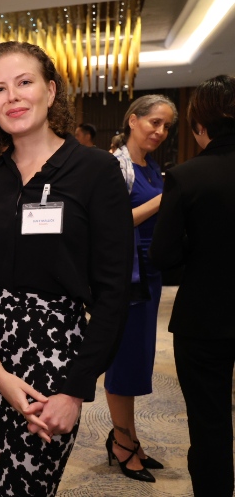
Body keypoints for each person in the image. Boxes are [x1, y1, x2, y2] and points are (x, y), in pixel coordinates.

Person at [0, 41, 132, 496]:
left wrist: (75, 391)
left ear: (50, 92)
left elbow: (113, 292)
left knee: (29, 487)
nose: (12, 96)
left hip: (55, 365)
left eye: (24, 82)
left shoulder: (95, 170)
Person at [150, 75, 235, 496]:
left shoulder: (186, 176)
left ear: (200, 125)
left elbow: (163, 256)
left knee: (209, 420)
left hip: (205, 317)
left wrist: (199, 246)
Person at [105, 94, 177, 482]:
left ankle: (129, 438)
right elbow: (115, 221)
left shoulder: (151, 167)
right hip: (126, 276)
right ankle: (122, 442)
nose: (160, 131)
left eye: (167, 126)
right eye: (154, 122)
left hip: (150, 272)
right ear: (133, 120)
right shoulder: (116, 166)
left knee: (137, 359)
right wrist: (167, 198)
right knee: (124, 359)